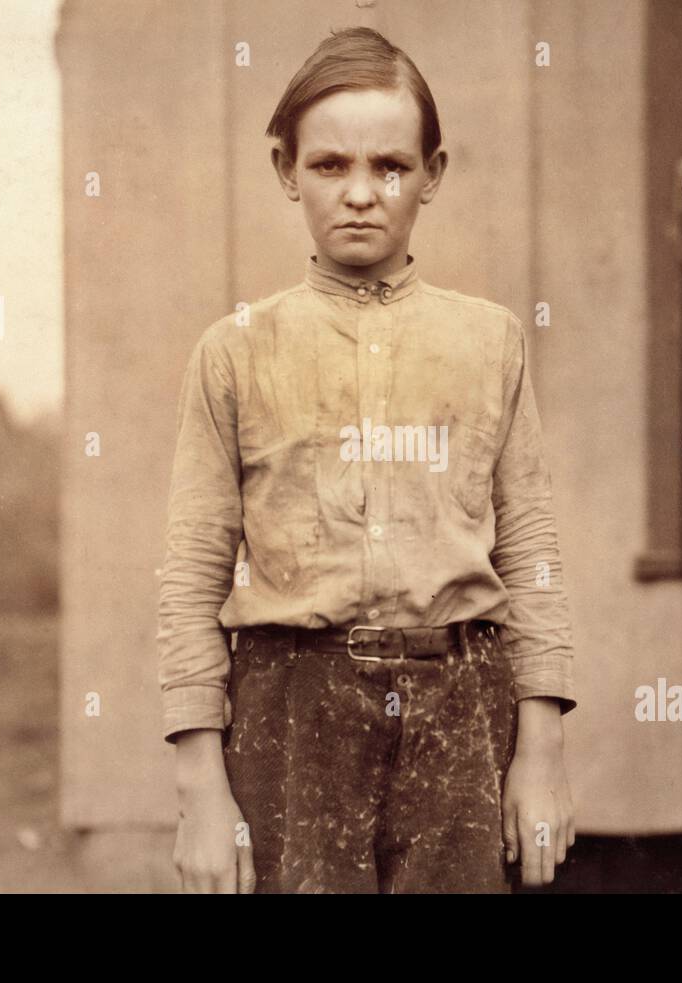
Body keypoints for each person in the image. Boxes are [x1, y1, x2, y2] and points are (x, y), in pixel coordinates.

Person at [158, 26, 577, 893]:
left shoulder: (488, 341)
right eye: (328, 166)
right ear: (285, 170)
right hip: (292, 712)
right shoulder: (236, 351)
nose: (360, 194)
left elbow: (530, 550)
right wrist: (200, 786)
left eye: (389, 166)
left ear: (433, 174)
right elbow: (193, 573)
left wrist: (541, 751)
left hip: (460, 711)